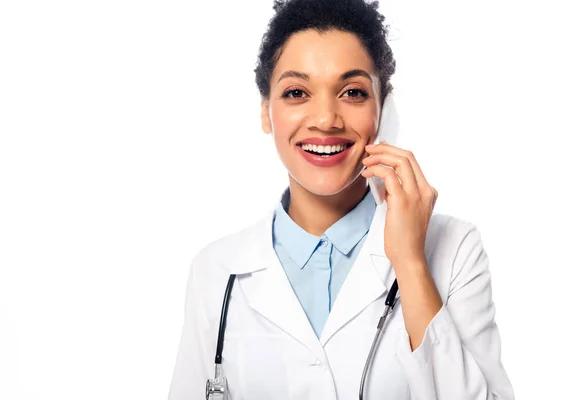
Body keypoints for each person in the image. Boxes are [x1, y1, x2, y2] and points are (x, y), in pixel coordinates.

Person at [168, 0, 515, 399]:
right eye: (297, 92)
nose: (326, 119)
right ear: (266, 111)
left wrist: (412, 264)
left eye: (352, 92)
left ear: (382, 109)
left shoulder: (454, 249)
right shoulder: (217, 270)